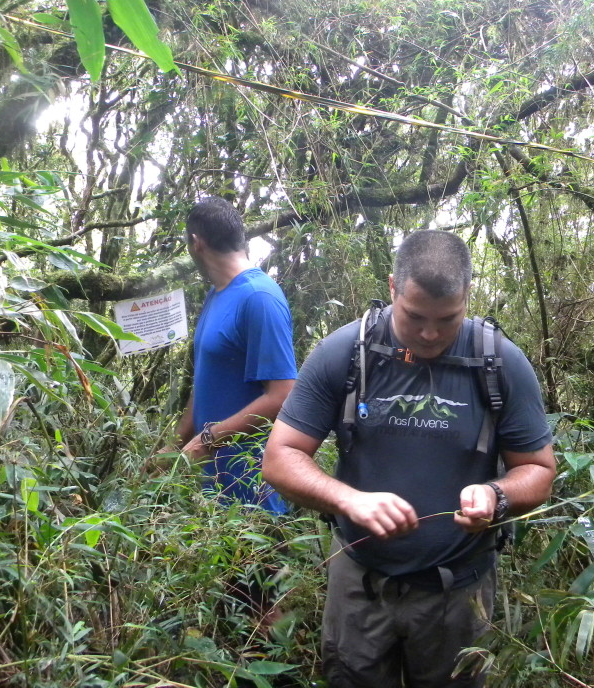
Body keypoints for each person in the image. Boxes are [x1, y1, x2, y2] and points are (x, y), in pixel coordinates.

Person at [263, 230, 556, 688]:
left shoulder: (498, 361)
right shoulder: (346, 352)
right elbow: (280, 457)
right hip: (361, 586)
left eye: (448, 319)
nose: (430, 334)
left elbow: (538, 470)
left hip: (456, 591)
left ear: (467, 297)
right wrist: (348, 500)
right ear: (393, 288)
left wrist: (496, 495)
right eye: (415, 316)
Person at [172, 196, 297, 515]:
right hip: (213, 489)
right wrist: (173, 446)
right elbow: (206, 381)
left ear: (196, 243)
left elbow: (282, 395)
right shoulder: (216, 294)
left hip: (252, 488)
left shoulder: (259, 298)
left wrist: (207, 439)